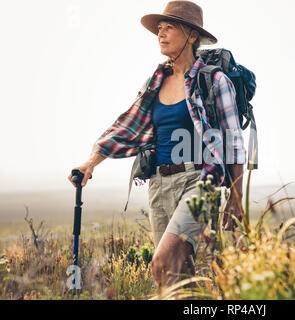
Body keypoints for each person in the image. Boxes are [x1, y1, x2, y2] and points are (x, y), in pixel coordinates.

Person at [67, 0, 247, 292]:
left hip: (200, 183)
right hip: (159, 185)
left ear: (191, 35)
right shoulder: (155, 81)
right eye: (159, 29)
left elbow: (234, 141)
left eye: (169, 28)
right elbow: (126, 125)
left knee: (161, 262)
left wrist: (236, 199)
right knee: (178, 277)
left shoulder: (214, 81)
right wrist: (91, 162)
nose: (161, 34)